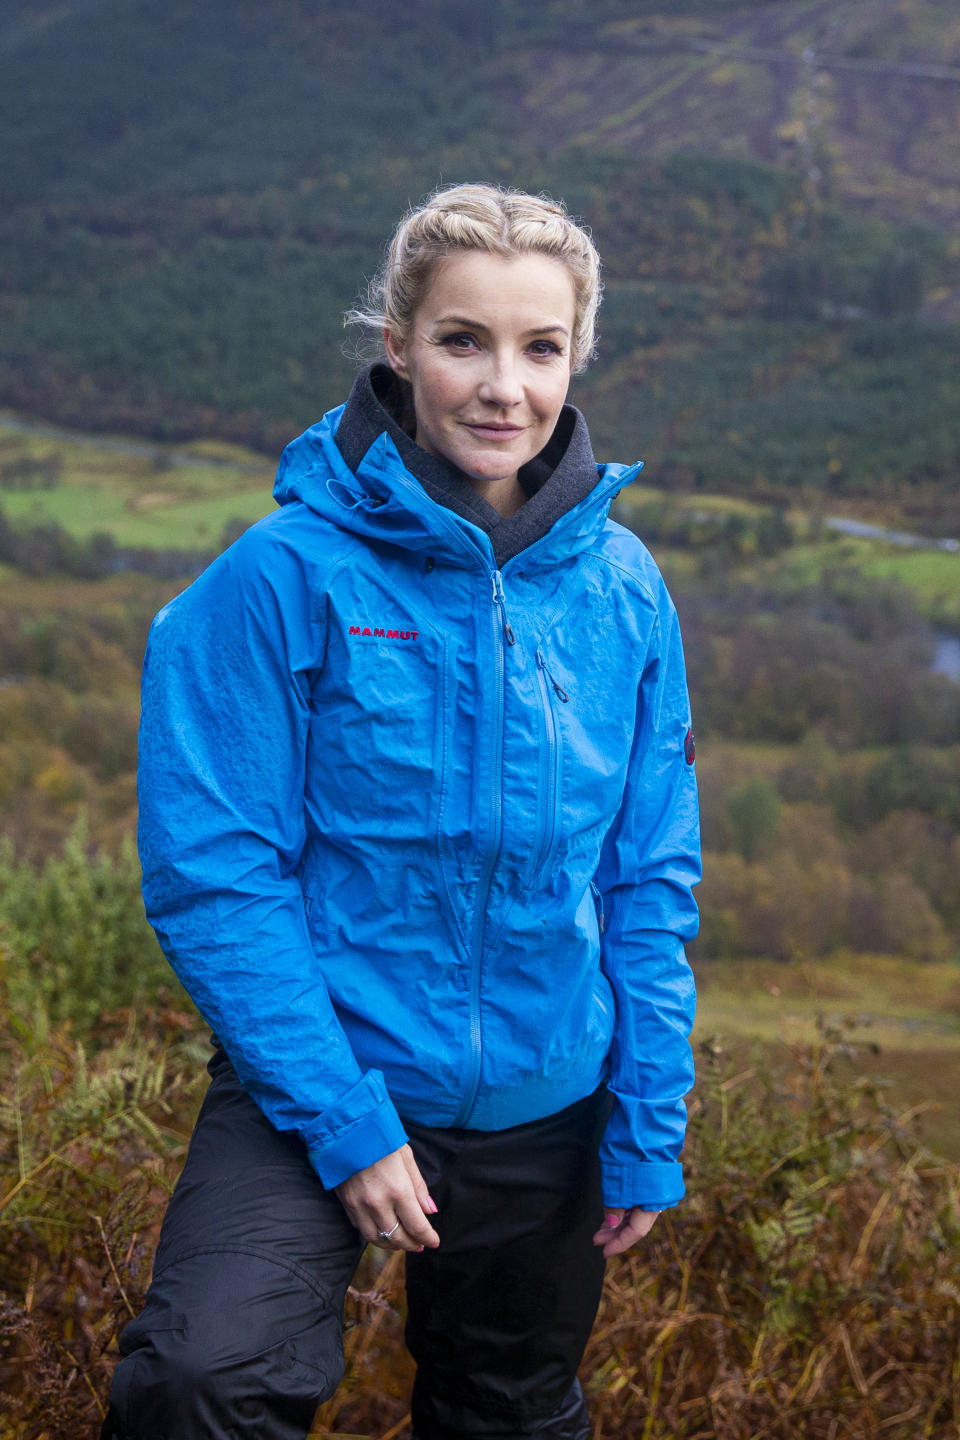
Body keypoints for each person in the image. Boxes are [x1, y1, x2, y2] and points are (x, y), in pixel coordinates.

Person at [101, 182, 701, 1440]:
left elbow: (645, 875)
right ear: (398, 345)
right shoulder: (279, 579)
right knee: (202, 1382)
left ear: (575, 358)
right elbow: (219, 878)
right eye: (462, 340)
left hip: (549, 1098)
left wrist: (647, 1114)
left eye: (541, 349)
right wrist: (346, 1120)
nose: (504, 388)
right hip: (320, 1070)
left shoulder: (625, 590)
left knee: (513, 1414)